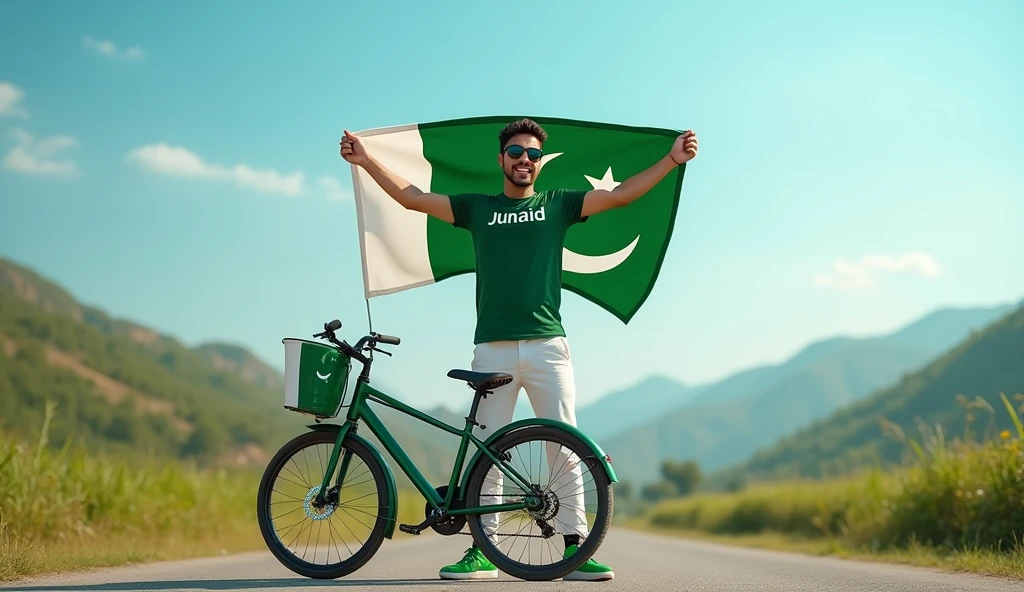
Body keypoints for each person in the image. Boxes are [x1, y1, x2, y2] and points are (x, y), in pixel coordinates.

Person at [340, 119, 698, 581]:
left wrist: (671, 160)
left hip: (549, 344)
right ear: (501, 160)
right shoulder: (478, 208)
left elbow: (621, 195)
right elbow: (413, 197)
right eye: (515, 152)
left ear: (539, 162)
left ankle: (576, 548)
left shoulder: (559, 203)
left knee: (566, 447)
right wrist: (367, 160)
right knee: (489, 451)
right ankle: (482, 550)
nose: (524, 160)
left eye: (532, 154)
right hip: (492, 348)